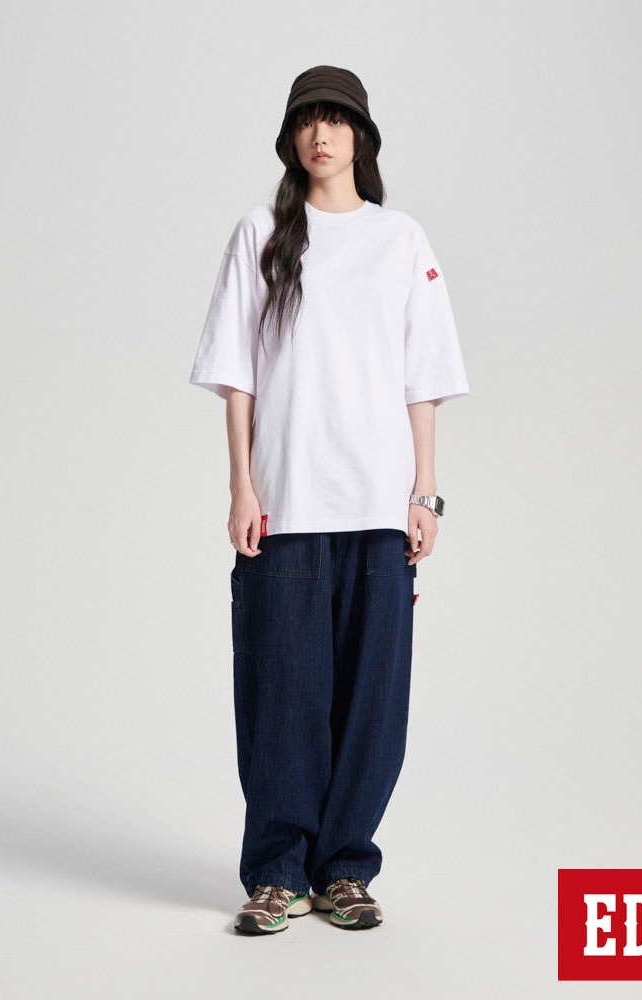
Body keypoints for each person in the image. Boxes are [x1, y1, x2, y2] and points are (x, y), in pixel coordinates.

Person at [189, 65, 470, 934]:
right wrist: (241, 484)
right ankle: (279, 872)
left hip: (380, 507)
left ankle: (345, 868)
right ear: (291, 138)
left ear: (361, 137)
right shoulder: (261, 233)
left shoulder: (401, 240)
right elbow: (237, 375)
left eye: (337, 120)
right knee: (282, 692)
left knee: (372, 698)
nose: (322, 134)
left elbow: (423, 379)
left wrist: (426, 493)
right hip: (288, 502)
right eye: (308, 120)